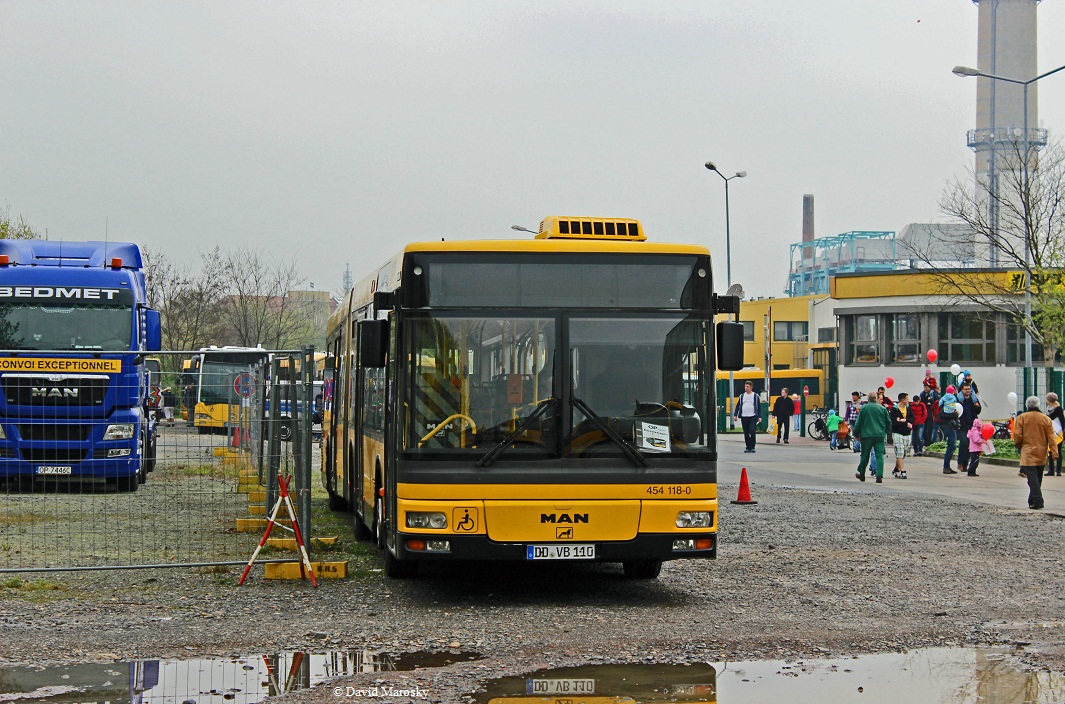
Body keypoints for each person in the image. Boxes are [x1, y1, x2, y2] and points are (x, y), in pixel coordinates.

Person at [1014, 395, 1057, 510]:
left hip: (1027, 452)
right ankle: (1032, 499)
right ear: (1038, 405)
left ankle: (1038, 500)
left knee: (1032, 478)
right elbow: (1051, 437)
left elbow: (1017, 435)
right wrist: (1054, 451)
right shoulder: (1045, 419)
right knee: (1038, 477)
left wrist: (1018, 445)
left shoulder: (1022, 418)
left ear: (1027, 405)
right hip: (1041, 451)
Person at [853, 391, 889, 484]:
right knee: (879, 456)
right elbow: (888, 422)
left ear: (868, 399)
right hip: (879, 435)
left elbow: (858, 422)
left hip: (866, 435)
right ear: (876, 398)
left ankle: (862, 474)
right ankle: (879, 475)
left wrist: (856, 434)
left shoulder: (864, 408)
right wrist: (886, 431)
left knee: (865, 455)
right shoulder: (882, 408)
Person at [956, 382, 982, 474]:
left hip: (972, 426)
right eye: (966, 389)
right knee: (964, 442)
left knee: (969, 446)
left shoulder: (973, 399)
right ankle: (960, 462)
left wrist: (977, 406)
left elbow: (978, 411)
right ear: (962, 390)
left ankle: (965, 464)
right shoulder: (959, 399)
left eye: (969, 389)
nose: (967, 391)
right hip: (962, 425)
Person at [937, 385, 961, 474]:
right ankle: (946, 467)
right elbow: (943, 415)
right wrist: (955, 415)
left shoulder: (945, 400)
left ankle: (947, 466)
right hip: (948, 425)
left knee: (952, 445)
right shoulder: (946, 404)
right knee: (952, 445)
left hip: (951, 425)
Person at [889, 393, 913, 479]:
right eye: (907, 399)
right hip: (897, 433)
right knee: (899, 451)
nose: (908, 400)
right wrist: (906, 424)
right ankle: (903, 471)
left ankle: (896, 468)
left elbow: (912, 419)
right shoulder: (894, 410)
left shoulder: (908, 408)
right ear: (902, 400)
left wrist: (903, 420)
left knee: (903, 453)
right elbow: (895, 423)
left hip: (907, 433)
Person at [734, 381, 761, 454]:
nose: (746, 388)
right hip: (744, 416)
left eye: (747, 386)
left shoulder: (755, 396)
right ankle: (747, 446)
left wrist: (759, 416)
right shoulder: (742, 396)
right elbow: (738, 406)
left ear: (751, 387)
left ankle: (752, 446)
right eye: (745, 386)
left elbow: (759, 406)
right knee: (746, 432)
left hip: (752, 416)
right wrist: (735, 415)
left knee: (752, 430)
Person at [1045, 392, 1063, 477]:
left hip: (1058, 432)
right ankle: (1051, 470)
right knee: (1050, 450)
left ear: (1049, 400)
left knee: (1057, 450)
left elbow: (1061, 420)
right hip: (1051, 431)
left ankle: (1058, 470)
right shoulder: (1049, 408)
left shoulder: (1058, 409)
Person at [920, 378, 941, 445]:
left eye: (926, 387)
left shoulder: (934, 393)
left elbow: (936, 403)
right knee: (924, 430)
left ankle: (928, 442)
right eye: (924, 387)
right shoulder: (922, 394)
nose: (925, 389)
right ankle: (924, 441)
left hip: (931, 414)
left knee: (929, 429)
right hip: (924, 414)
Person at [910, 388, 928, 456]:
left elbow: (925, 414)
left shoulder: (922, 405)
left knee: (919, 437)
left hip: (920, 423)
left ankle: (920, 449)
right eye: (914, 402)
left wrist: (922, 421)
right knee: (914, 438)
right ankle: (915, 450)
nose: (916, 403)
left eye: (917, 402)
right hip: (914, 423)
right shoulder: (911, 406)